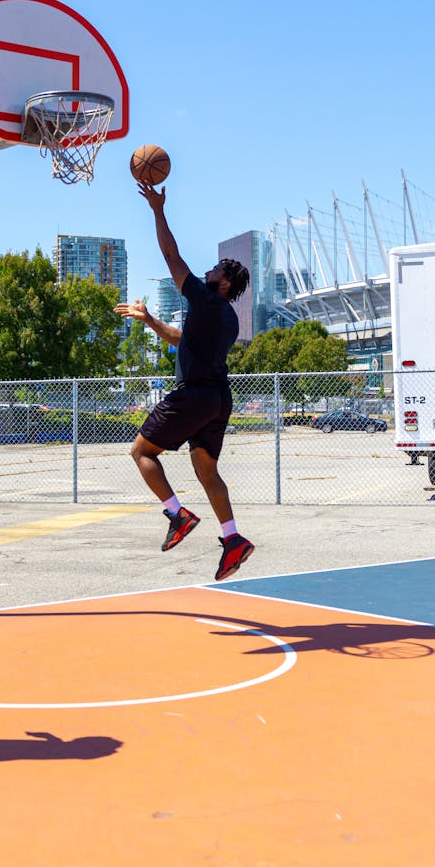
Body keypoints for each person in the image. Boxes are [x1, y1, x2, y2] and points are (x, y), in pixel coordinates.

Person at [115, 183, 253, 581]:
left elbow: (170, 254)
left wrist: (158, 210)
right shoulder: (226, 317)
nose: (209, 271)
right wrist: (150, 321)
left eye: (216, 270)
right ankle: (233, 539)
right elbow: (181, 340)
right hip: (218, 399)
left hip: (193, 396)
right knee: (206, 470)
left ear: (224, 283)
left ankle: (177, 513)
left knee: (142, 452)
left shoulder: (206, 300)